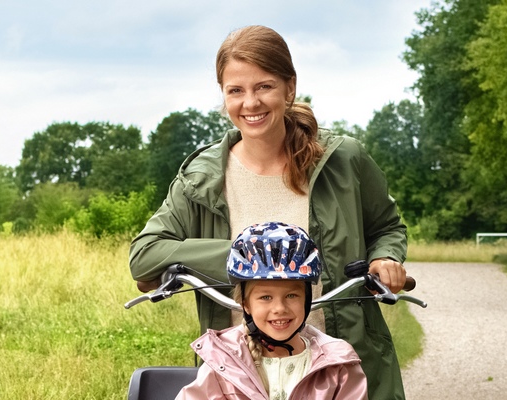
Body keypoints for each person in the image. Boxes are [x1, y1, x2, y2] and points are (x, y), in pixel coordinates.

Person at [129, 25, 408, 399]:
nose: (251, 103)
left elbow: (387, 227)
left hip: (338, 368)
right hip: (238, 379)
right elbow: (145, 256)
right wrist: (243, 256)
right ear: (224, 96)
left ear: (289, 88)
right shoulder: (201, 176)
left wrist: (385, 258)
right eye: (236, 91)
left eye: (264, 87)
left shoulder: (344, 160)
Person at [176, 222, 368, 400]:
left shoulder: (337, 364)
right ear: (245, 303)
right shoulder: (224, 360)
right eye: (265, 297)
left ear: (307, 299)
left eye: (292, 296)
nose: (279, 309)